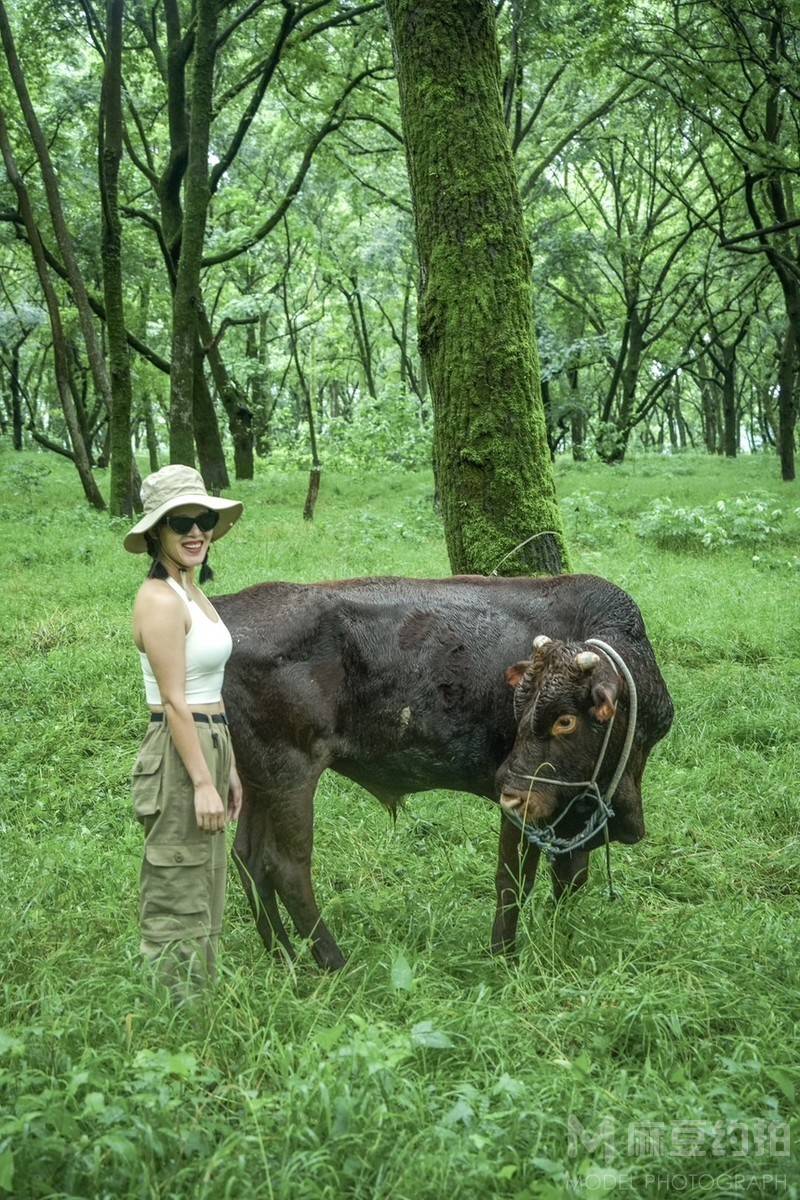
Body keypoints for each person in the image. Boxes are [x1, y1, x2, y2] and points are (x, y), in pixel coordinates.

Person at [124, 464, 244, 998]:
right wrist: (200, 781)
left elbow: (210, 692)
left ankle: (198, 1002)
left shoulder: (193, 592)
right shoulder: (158, 598)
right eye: (181, 522)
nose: (197, 532)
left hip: (210, 741)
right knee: (178, 879)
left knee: (206, 878)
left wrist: (230, 768)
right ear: (157, 533)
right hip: (180, 750)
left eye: (204, 519)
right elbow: (174, 701)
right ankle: (171, 1011)